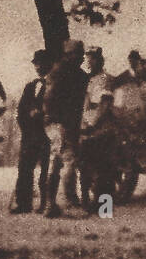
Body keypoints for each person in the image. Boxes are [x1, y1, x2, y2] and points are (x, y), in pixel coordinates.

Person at [42, 40, 88, 218]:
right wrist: (58, 123)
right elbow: (49, 101)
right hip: (59, 123)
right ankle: (69, 203)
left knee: (57, 162)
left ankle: (50, 204)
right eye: (74, 54)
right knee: (68, 161)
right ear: (67, 55)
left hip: (70, 124)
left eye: (80, 54)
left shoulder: (79, 75)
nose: (78, 57)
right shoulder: (58, 73)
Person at [10, 50, 52, 214]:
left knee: (45, 171)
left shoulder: (54, 85)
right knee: (25, 168)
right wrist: (27, 120)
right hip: (30, 135)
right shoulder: (31, 86)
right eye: (36, 63)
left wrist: (41, 114)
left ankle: (45, 203)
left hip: (46, 134)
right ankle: (23, 203)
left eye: (41, 63)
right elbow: (20, 111)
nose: (38, 66)